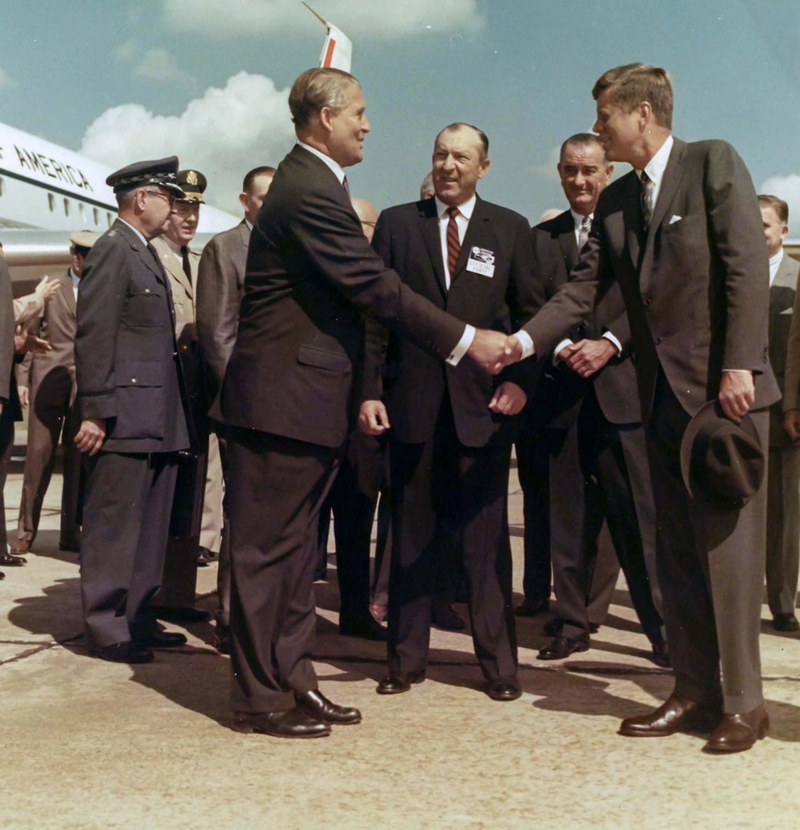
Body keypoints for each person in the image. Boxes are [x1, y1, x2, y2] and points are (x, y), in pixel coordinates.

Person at [219, 68, 517, 740]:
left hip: (304, 404)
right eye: (359, 112)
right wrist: (467, 339)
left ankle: (296, 682)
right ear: (325, 117)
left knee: (297, 561)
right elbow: (375, 288)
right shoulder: (307, 190)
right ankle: (258, 698)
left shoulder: (318, 183)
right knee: (268, 559)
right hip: (278, 406)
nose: (368, 124)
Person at [510, 63, 778, 753]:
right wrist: (518, 341)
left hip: (727, 398)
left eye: (605, 116)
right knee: (678, 554)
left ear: (640, 114)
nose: (599, 129)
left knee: (729, 557)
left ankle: (746, 705)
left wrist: (739, 363)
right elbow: (582, 289)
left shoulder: (712, 163)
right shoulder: (621, 198)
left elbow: (745, 263)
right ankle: (693, 692)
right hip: (660, 402)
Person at [360, 122, 542, 701]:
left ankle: (499, 668)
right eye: (440, 154)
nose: (448, 166)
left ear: (483, 167)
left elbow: (532, 319)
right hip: (412, 409)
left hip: (481, 410)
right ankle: (405, 662)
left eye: (461, 157)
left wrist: (521, 385)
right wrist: (369, 391)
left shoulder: (510, 230)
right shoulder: (395, 224)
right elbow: (373, 319)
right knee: (409, 538)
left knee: (484, 546)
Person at [517, 133, 666, 667]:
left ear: (608, 173)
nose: (580, 181)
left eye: (590, 172)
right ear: (559, 172)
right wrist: (560, 347)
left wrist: (608, 344)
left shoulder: (636, 229)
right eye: (570, 171)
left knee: (639, 520)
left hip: (623, 392)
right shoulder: (539, 240)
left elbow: (651, 297)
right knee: (567, 521)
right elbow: (531, 303)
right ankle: (572, 622)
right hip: (561, 396)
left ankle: (663, 631)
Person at [74, 157, 193, 664]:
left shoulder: (144, 251)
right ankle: (105, 624)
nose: (173, 208)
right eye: (166, 196)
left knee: (150, 526)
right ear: (141, 198)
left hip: (158, 415)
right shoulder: (112, 250)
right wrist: (96, 409)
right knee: (114, 525)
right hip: (124, 414)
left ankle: (140, 615)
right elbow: (94, 333)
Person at [196, 164, 275, 653]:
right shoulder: (226, 248)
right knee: (241, 512)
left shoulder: (289, 246)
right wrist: (244, 398)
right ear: (245, 201)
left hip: (285, 407)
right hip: (246, 405)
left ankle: (260, 614)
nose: (270, 205)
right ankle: (230, 614)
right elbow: (218, 334)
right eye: (262, 197)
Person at [150, 169, 220, 622]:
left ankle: (177, 595)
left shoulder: (197, 260)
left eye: (195, 208)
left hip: (196, 397)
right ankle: (153, 597)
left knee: (190, 501)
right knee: (163, 502)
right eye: (181, 208)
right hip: (163, 398)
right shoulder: (152, 258)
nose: (190, 216)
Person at [11, 231, 97, 556]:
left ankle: (70, 532)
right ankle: (25, 531)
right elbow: (28, 336)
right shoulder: (50, 289)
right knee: (38, 456)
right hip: (48, 381)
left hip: (83, 385)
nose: (89, 261)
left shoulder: (99, 289)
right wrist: (22, 379)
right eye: (85, 255)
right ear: (73, 255)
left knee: (77, 459)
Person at [760, 195, 800, 632]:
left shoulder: (796, 277)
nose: (758, 233)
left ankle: (783, 602)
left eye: (766, 225)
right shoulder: (733, 273)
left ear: (784, 231)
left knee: (786, 517)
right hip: (740, 409)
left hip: (782, 411)